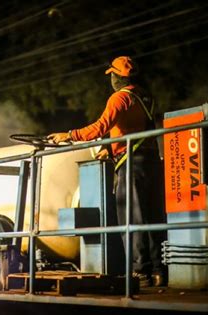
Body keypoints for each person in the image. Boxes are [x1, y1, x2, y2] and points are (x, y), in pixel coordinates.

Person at [48, 56, 166, 287]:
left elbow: (100, 127)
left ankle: (141, 272)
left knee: (132, 217)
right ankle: (159, 271)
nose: (110, 78)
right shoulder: (144, 96)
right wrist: (110, 148)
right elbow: (133, 127)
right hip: (150, 161)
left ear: (118, 77)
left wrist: (69, 135)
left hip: (131, 164)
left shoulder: (119, 97)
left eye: (112, 74)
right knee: (152, 216)